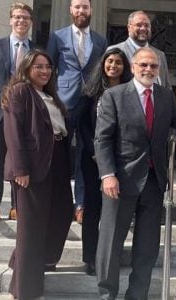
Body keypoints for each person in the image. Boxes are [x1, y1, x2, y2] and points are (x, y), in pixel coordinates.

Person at [94, 47, 176, 300]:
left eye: (153, 66)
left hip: (154, 182)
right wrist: (107, 175)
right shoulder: (114, 96)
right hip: (120, 181)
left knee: (147, 248)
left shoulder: (163, 95)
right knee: (110, 244)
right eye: (144, 65)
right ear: (133, 67)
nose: (148, 70)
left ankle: (137, 296)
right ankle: (107, 294)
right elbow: (102, 139)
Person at [2, 49, 74, 300]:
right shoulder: (21, 91)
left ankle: (20, 261)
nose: (44, 71)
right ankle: (26, 292)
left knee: (64, 212)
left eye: (48, 67)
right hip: (33, 165)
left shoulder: (49, 95)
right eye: (38, 66)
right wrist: (20, 168)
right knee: (31, 229)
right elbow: (13, 131)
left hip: (57, 160)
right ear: (27, 68)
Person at [46, 0, 108, 224]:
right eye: (78, 7)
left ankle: (81, 204)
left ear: (91, 11)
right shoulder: (58, 36)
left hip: (90, 104)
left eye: (85, 7)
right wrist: (52, 100)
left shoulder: (101, 40)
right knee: (60, 154)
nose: (82, 11)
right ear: (71, 10)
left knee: (85, 156)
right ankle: (60, 202)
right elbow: (49, 68)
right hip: (65, 103)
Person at [79, 48, 132, 276]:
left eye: (118, 62)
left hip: (120, 160)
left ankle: (111, 255)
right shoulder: (90, 93)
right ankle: (90, 258)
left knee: (115, 212)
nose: (113, 66)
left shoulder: (130, 92)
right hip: (92, 160)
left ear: (124, 67)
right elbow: (81, 126)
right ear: (103, 64)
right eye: (110, 61)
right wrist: (95, 152)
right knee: (93, 210)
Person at [0, 2, 35, 221]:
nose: (21, 21)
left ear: (30, 23)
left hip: (25, 113)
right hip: (0, 111)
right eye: (17, 17)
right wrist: (1, 99)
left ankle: (16, 206)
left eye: (25, 18)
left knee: (18, 157)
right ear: (10, 20)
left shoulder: (35, 50)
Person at [106, 10, 171, 89]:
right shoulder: (115, 51)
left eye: (146, 25)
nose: (143, 28)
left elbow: (167, 87)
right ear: (129, 27)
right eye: (139, 25)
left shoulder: (160, 55)